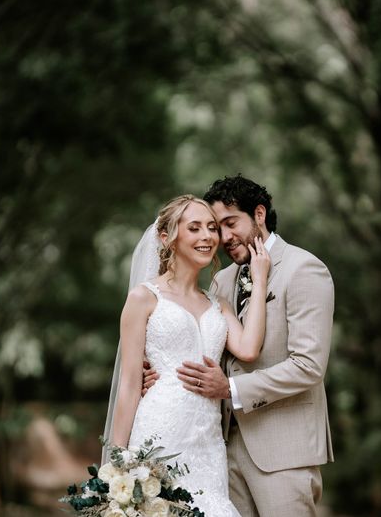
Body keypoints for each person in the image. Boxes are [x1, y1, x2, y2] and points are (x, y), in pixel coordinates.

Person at [144, 176, 335, 517]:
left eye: (231, 223)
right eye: (218, 228)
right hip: (221, 452)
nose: (224, 237)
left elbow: (308, 365)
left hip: (282, 455)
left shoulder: (304, 269)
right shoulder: (223, 279)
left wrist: (230, 388)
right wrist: (161, 375)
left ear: (259, 214)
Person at [102, 194, 271, 517]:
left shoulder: (216, 303)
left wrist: (260, 281)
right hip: (159, 432)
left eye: (211, 228)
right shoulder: (143, 298)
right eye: (194, 228)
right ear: (167, 237)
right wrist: (116, 464)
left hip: (208, 443)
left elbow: (249, 349)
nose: (207, 237)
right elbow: (128, 385)